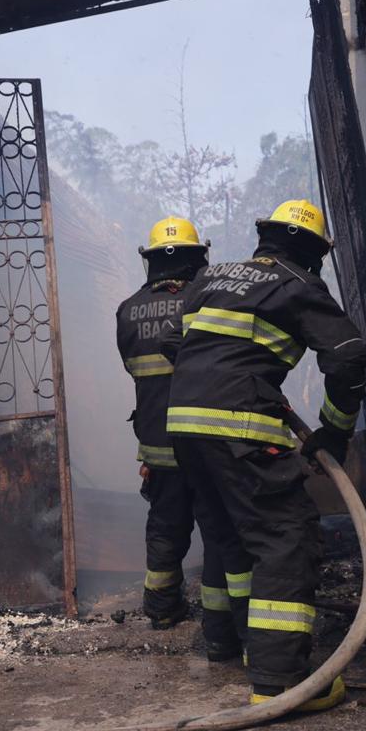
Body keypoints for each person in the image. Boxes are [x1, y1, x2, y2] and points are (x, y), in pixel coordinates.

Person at [159, 200, 366, 711]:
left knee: (233, 538)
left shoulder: (214, 276)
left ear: (267, 236)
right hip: (238, 425)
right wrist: (334, 433)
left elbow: (170, 342)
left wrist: (219, 375)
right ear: (317, 252)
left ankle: (253, 648)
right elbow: (347, 355)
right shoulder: (299, 285)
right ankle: (281, 684)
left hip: (184, 429)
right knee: (284, 538)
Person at [115, 216, 239, 660]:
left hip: (157, 442)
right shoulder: (207, 301)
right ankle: (220, 623)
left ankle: (162, 609)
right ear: (197, 257)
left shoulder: (127, 310)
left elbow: (133, 369)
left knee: (166, 528)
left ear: (150, 262)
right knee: (219, 532)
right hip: (206, 440)